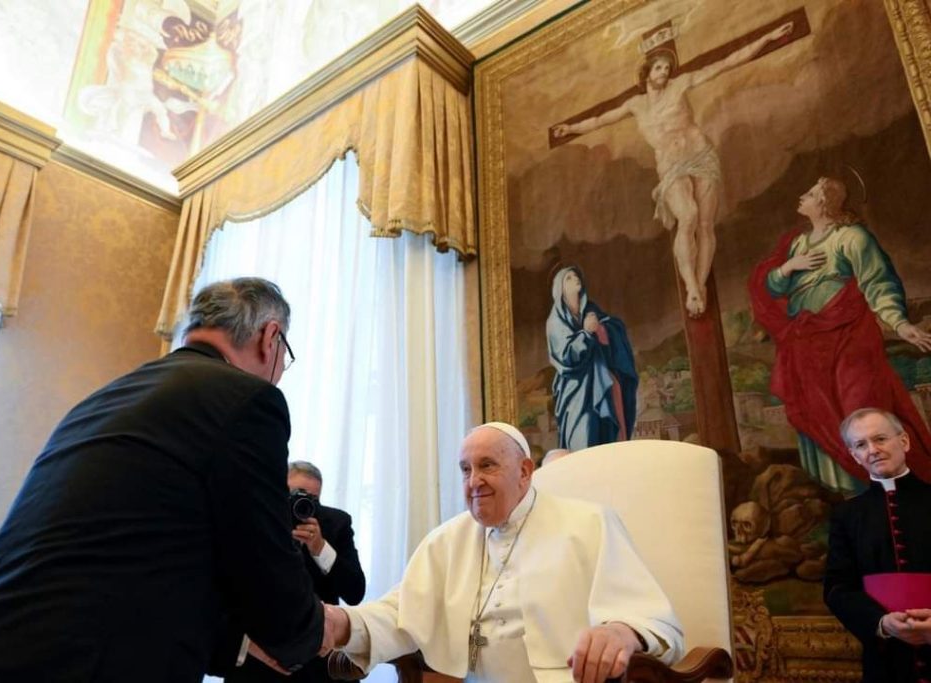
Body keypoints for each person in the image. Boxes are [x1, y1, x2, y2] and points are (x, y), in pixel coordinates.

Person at [0, 277, 331, 682]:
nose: (280, 371)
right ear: (270, 337)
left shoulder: (107, 397)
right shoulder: (248, 400)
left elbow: (131, 565)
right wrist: (319, 632)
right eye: (285, 355)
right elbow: (266, 570)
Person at [321, 421, 684, 683]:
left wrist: (619, 632)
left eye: (487, 465)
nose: (474, 481)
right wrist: (345, 623)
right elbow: (401, 613)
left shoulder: (590, 523)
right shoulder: (446, 540)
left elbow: (646, 616)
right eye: (465, 470)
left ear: (524, 471)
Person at [551, 22, 794, 316]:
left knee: (705, 224)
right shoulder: (636, 105)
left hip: (700, 154)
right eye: (658, 68)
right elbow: (600, 119)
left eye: (667, 68)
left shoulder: (681, 83)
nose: (664, 72)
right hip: (670, 163)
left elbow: (725, 63)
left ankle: (698, 287)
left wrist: (767, 37)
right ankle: (692, 286)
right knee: (687, 215)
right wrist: (571, 128)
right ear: (646, 73)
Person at [749, 177, 931, 495]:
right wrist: (788, 267)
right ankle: (843, 492)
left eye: (809, 193)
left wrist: (899, 323)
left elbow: (877, 282)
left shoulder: (851, 237)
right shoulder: (798, 244)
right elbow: (774, 288)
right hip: (806, 346)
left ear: (825, 202)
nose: (801, 197)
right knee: (815, 412)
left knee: (858, 407)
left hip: (848, 338)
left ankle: (883, 487)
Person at [222, 461, 366, 683]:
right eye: (293, 494)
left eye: (311, 499)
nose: (301, 503)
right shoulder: (255, 519)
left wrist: (321, 549)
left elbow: (355, 592)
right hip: (260, 651)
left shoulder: (336, 524)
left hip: (318, 652)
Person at [824, 408, 931, 682]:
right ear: (854, 456)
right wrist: (881, 622)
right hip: (886, 662)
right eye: (861, 445)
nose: (873, 450)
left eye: (880, 439)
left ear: (904, 441)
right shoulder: (846, 516)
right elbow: (837, 588)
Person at [547, 266, 638, 450]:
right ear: (560, 288)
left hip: (602, 382)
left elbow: (612, 328)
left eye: (576, 275)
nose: (575, 278)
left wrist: (602, 329)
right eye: (568, 278)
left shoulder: (591, 310)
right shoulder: (556, 321)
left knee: (608, 435)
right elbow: (565, 355)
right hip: (576, 390)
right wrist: (586, 334)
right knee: (585, 432)